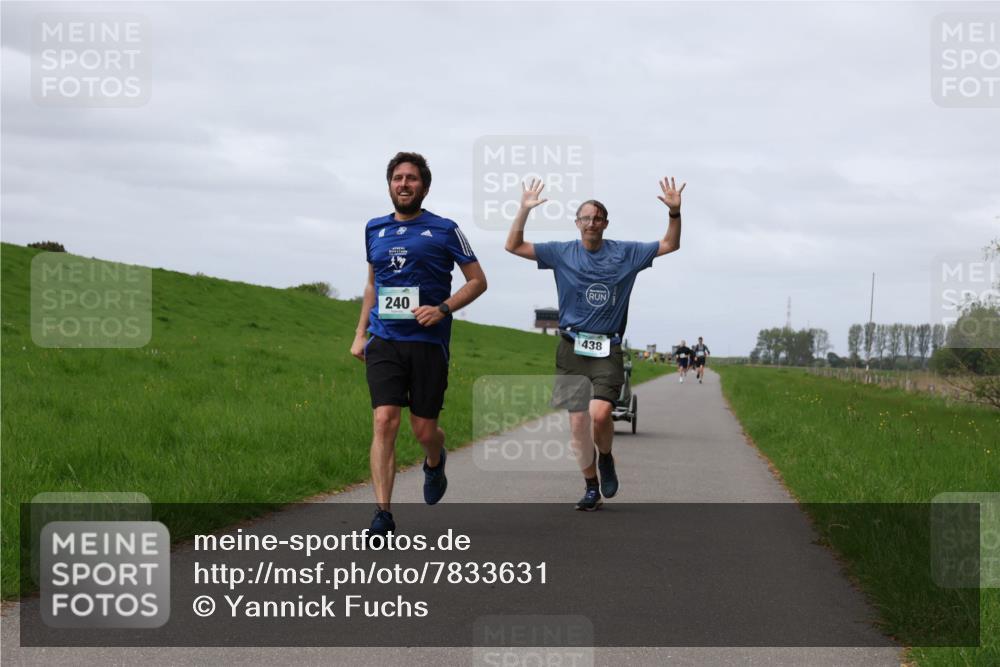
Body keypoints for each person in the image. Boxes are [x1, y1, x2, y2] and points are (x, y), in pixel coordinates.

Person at [505, 177, 685, 510]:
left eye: (597, 218)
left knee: (600, 415)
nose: (591, 223)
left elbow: (669, 244)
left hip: (607, 348)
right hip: (571, 347)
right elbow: (514, 247)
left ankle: (605, 457)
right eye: (585, 218)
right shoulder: (561, 252)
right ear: (577, 223)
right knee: (577, 423)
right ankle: (590, 487)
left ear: (605, 223)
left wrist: (674, 213)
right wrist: (523, 211)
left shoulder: (626, 253)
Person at [351, 152, 487, 536]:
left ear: (424, 187)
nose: (404, 184)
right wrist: (360, 333)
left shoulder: (445, 229)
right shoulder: (373, 229)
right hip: (385, 339)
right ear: (390, 184)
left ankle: (434, 460)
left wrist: (443, 308)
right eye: (397, 178)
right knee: (383, 420)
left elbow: (478, 280)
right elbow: (372, 285)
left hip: (428, 343)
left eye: (411, 178)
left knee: (424, 430)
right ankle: (382, 515)